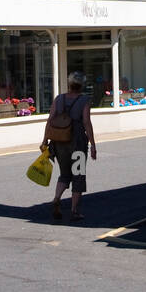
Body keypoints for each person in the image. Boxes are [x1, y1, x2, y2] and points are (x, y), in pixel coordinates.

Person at [42, 71, 97, 221]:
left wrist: (44, 140)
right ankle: (74, 211)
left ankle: (57, 198)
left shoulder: (58, 99)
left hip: (59, 143)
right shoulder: (84, 100)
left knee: (64, 174)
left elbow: (50, 120)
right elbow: (86, 122)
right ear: (82, 85)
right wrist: (93, 144)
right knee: (78, 175)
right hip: (77, 143)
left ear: (69, 83)